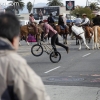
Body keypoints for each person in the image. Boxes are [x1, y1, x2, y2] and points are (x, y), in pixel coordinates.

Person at [0, 13, 50, 100]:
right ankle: (36, 33)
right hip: (31, 24)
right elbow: (37, 95)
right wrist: (33, 22)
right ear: (15, 38)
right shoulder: (15, 64)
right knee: (35, 27)